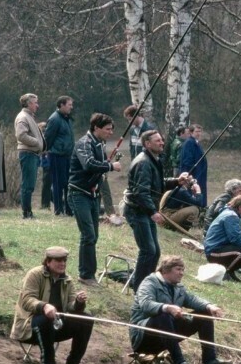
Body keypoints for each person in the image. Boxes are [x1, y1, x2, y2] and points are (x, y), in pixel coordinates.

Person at [129, 255, 232, 364]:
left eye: (183, 270)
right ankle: (179, 361)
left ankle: (209, 360)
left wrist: (209, 306)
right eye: (178, 269)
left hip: (167, 335)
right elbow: (145, 304)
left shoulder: (178, 287)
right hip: (144, 338)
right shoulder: (149, 282)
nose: (182, 273)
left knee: (204, 314)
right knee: (164, 316)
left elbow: (191, 299)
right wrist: (167, 307)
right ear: (166, 270)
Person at [10, 246, 94, 364]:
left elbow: (71, 308)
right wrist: (44, 306)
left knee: (86, 318)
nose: (63, 264)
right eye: (58, 260)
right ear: (48, 261)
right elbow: (26, 300)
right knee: (45, 319)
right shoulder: (34, 275)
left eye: (64, 260)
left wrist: (78, 302)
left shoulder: (67, 280)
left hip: (57, 326)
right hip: (31, 326)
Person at [123, 130, 189, 292]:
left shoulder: (153, 160)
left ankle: (146, 286)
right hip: (137, 210)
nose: (162, 143)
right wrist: (153, 212)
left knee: (155, 251)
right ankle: (140, 289)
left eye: (162, 140)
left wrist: (176, 182)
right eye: (158, 140)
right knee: (148, 250)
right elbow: (141, 192)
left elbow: (157, 184)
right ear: (147, 144)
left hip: (144, 211)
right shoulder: (143, 163)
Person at [68, 113, 122, 286]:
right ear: (96, 128)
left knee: (94, 235)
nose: (110, 132)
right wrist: (110, 166)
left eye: (112, 129)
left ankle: (89, 271)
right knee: (88, 235)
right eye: (107, 129)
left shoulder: (100, 143)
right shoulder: (84, 143)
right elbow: (89, 164)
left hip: (92, 194)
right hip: (78, 193)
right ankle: (85, 275)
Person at [203, 195, 241, 281]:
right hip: (214, 251)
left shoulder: (240, 216)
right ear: (239, 207)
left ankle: (231, 271)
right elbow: (236, 239)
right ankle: (226, 272)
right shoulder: (230, 216)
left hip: (225, 247)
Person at [15, 93, 45, 219]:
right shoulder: (23, 117)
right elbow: (21, 135)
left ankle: (28, 212)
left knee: (30, 184)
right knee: (28, 185)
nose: (37, 105)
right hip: (28, 154)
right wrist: (37, 142)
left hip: (32, 154)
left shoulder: (28, 116)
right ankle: (26, 213)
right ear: (28, 104)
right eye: (35, 103)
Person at [45, 96, 75, 216]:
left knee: (68, 182)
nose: (71, 107)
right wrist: (50, 151)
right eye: (69, 105)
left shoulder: (66, 118)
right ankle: (58, 209)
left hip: (67, 155)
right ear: (61, 105)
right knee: (58, 183)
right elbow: (48, 138)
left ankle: (68, 208)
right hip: (57, 155)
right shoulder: (55, 119)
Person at [179, 124, 208, 206]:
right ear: (191, 132)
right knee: (194, 193)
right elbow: (187, 160)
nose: (198, 134)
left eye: (200, 131)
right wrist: (190, 174)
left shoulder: (196, 142)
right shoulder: (189, 143)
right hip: (194, 174)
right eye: (196, 131)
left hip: (200, 174)